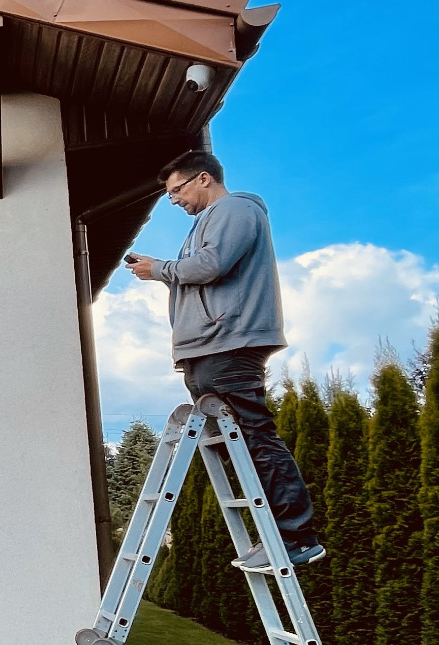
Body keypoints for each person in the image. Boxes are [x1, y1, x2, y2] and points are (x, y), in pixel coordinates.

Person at [125, 150, 325, 568]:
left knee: (255, 436)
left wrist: (159, 268)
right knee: (240, 445)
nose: (174, 200)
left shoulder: (234, 209)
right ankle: (276, 536)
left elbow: (212, 265)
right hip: (208, 345)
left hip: (228, 343)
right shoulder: (206, 222)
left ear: (203, 178)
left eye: (176, 190)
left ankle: (298, 538)